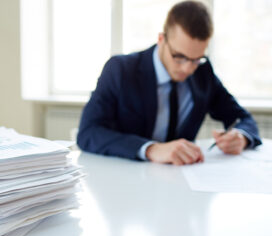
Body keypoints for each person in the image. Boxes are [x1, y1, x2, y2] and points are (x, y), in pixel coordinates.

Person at [77, 0, 261, 165]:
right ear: (161, 39)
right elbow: (88, 133)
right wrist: (151, 149)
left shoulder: (203, 72)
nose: (188, 68)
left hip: (182, 183)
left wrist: (241, 137)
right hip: (127, 179)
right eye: (179, 57)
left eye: (197, 59)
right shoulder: (121, 70)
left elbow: (244, 119)